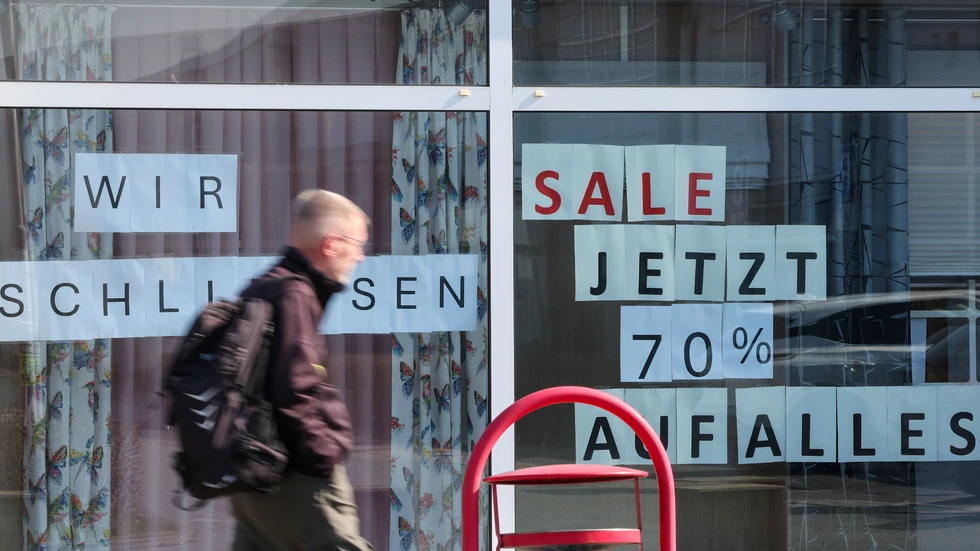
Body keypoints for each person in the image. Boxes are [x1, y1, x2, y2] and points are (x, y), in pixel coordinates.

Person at [231, 189, 373, 551]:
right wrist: (322, 455)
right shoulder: (295, 295)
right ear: (331, 245)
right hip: (293, 473)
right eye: (357, 244)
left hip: (253, 472)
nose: (360, 255)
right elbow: (294, 388)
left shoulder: (263, 286)